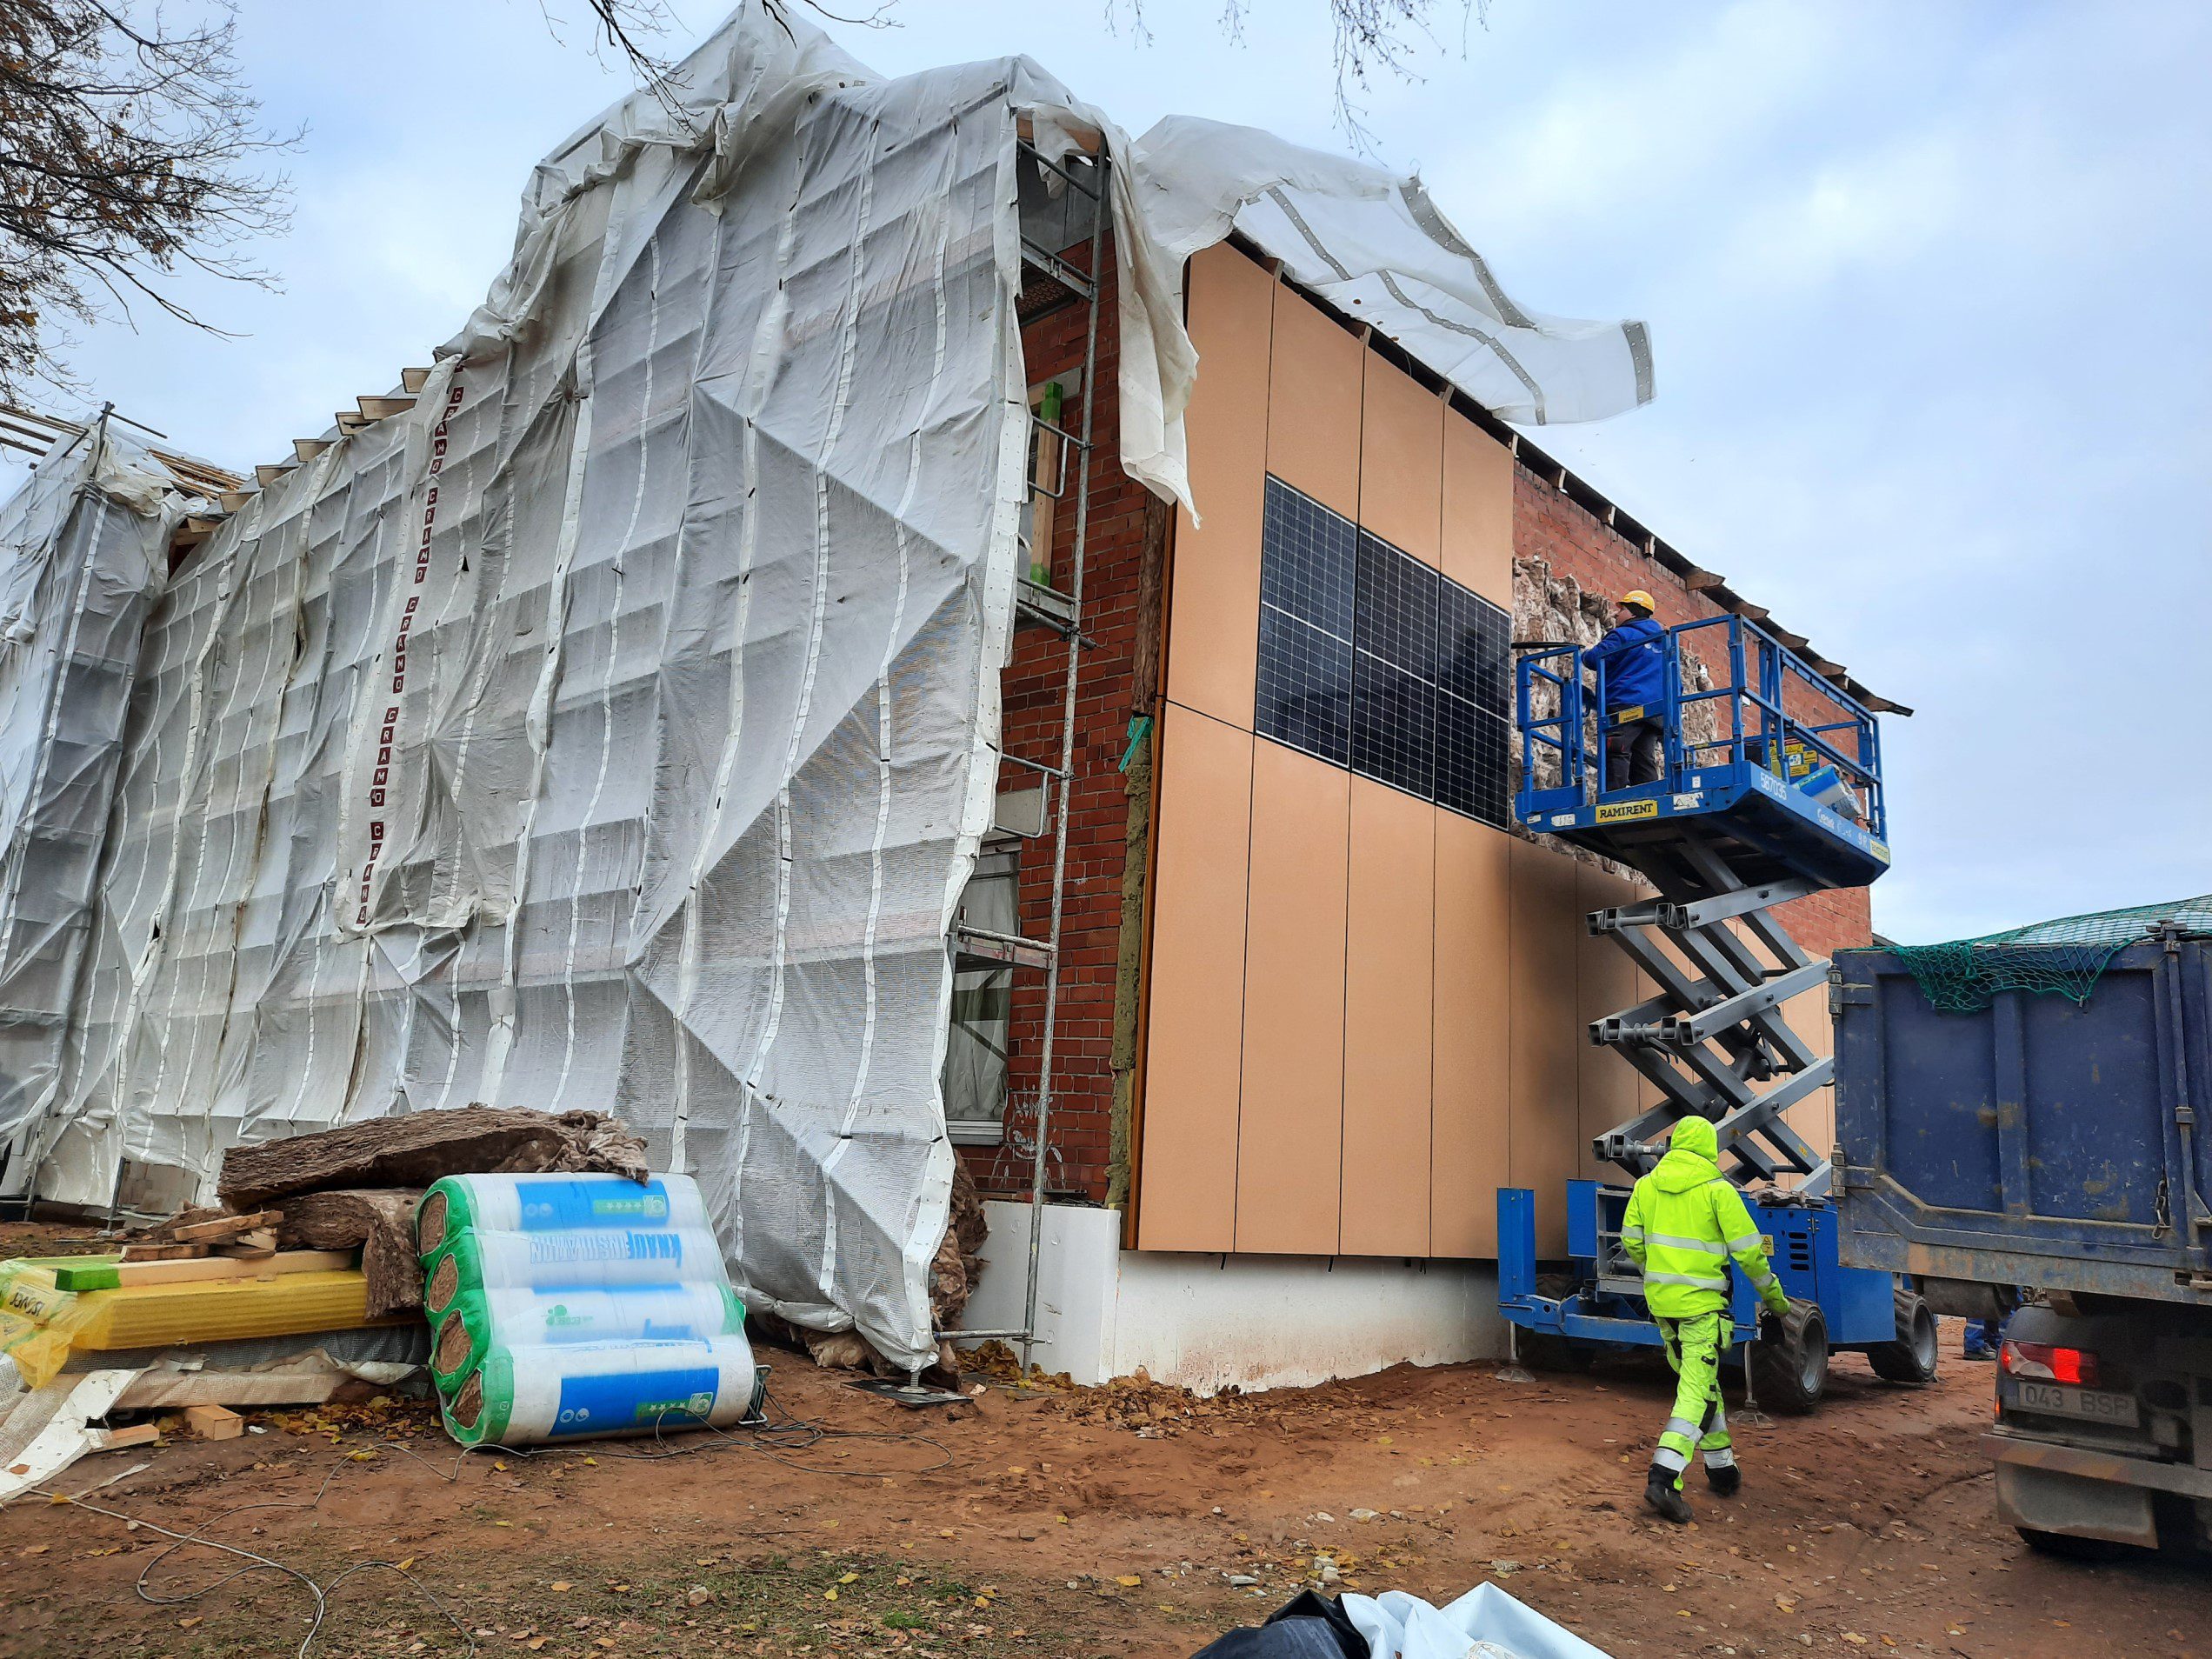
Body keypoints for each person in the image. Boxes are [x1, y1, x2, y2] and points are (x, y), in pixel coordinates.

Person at [1620, 1114, 1792, 1525]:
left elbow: (1631, 1241)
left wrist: (1658, 1280)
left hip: (1664, 1308)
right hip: (1702, 1310)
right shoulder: (1719, 1191)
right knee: (1694, 1394)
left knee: (1701, 1383)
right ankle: (1663, 1478)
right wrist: (1776, 1302)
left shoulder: (1646, 1186)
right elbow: (1751, 1255)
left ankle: (1721, 1469)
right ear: (1710, 1149)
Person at [1582, 590, 1666, 790]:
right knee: (1643, 757)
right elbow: (1676, 682)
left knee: (1617, 750)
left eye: (1621, 610)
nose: (1615, 614)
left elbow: (1594, 659)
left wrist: (1583, 654)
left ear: (1632, 613)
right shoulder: (1663, 644)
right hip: (1655, 711)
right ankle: (1649, 796)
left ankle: (1614, 797)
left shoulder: (1624, 634)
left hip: (1626, 703)